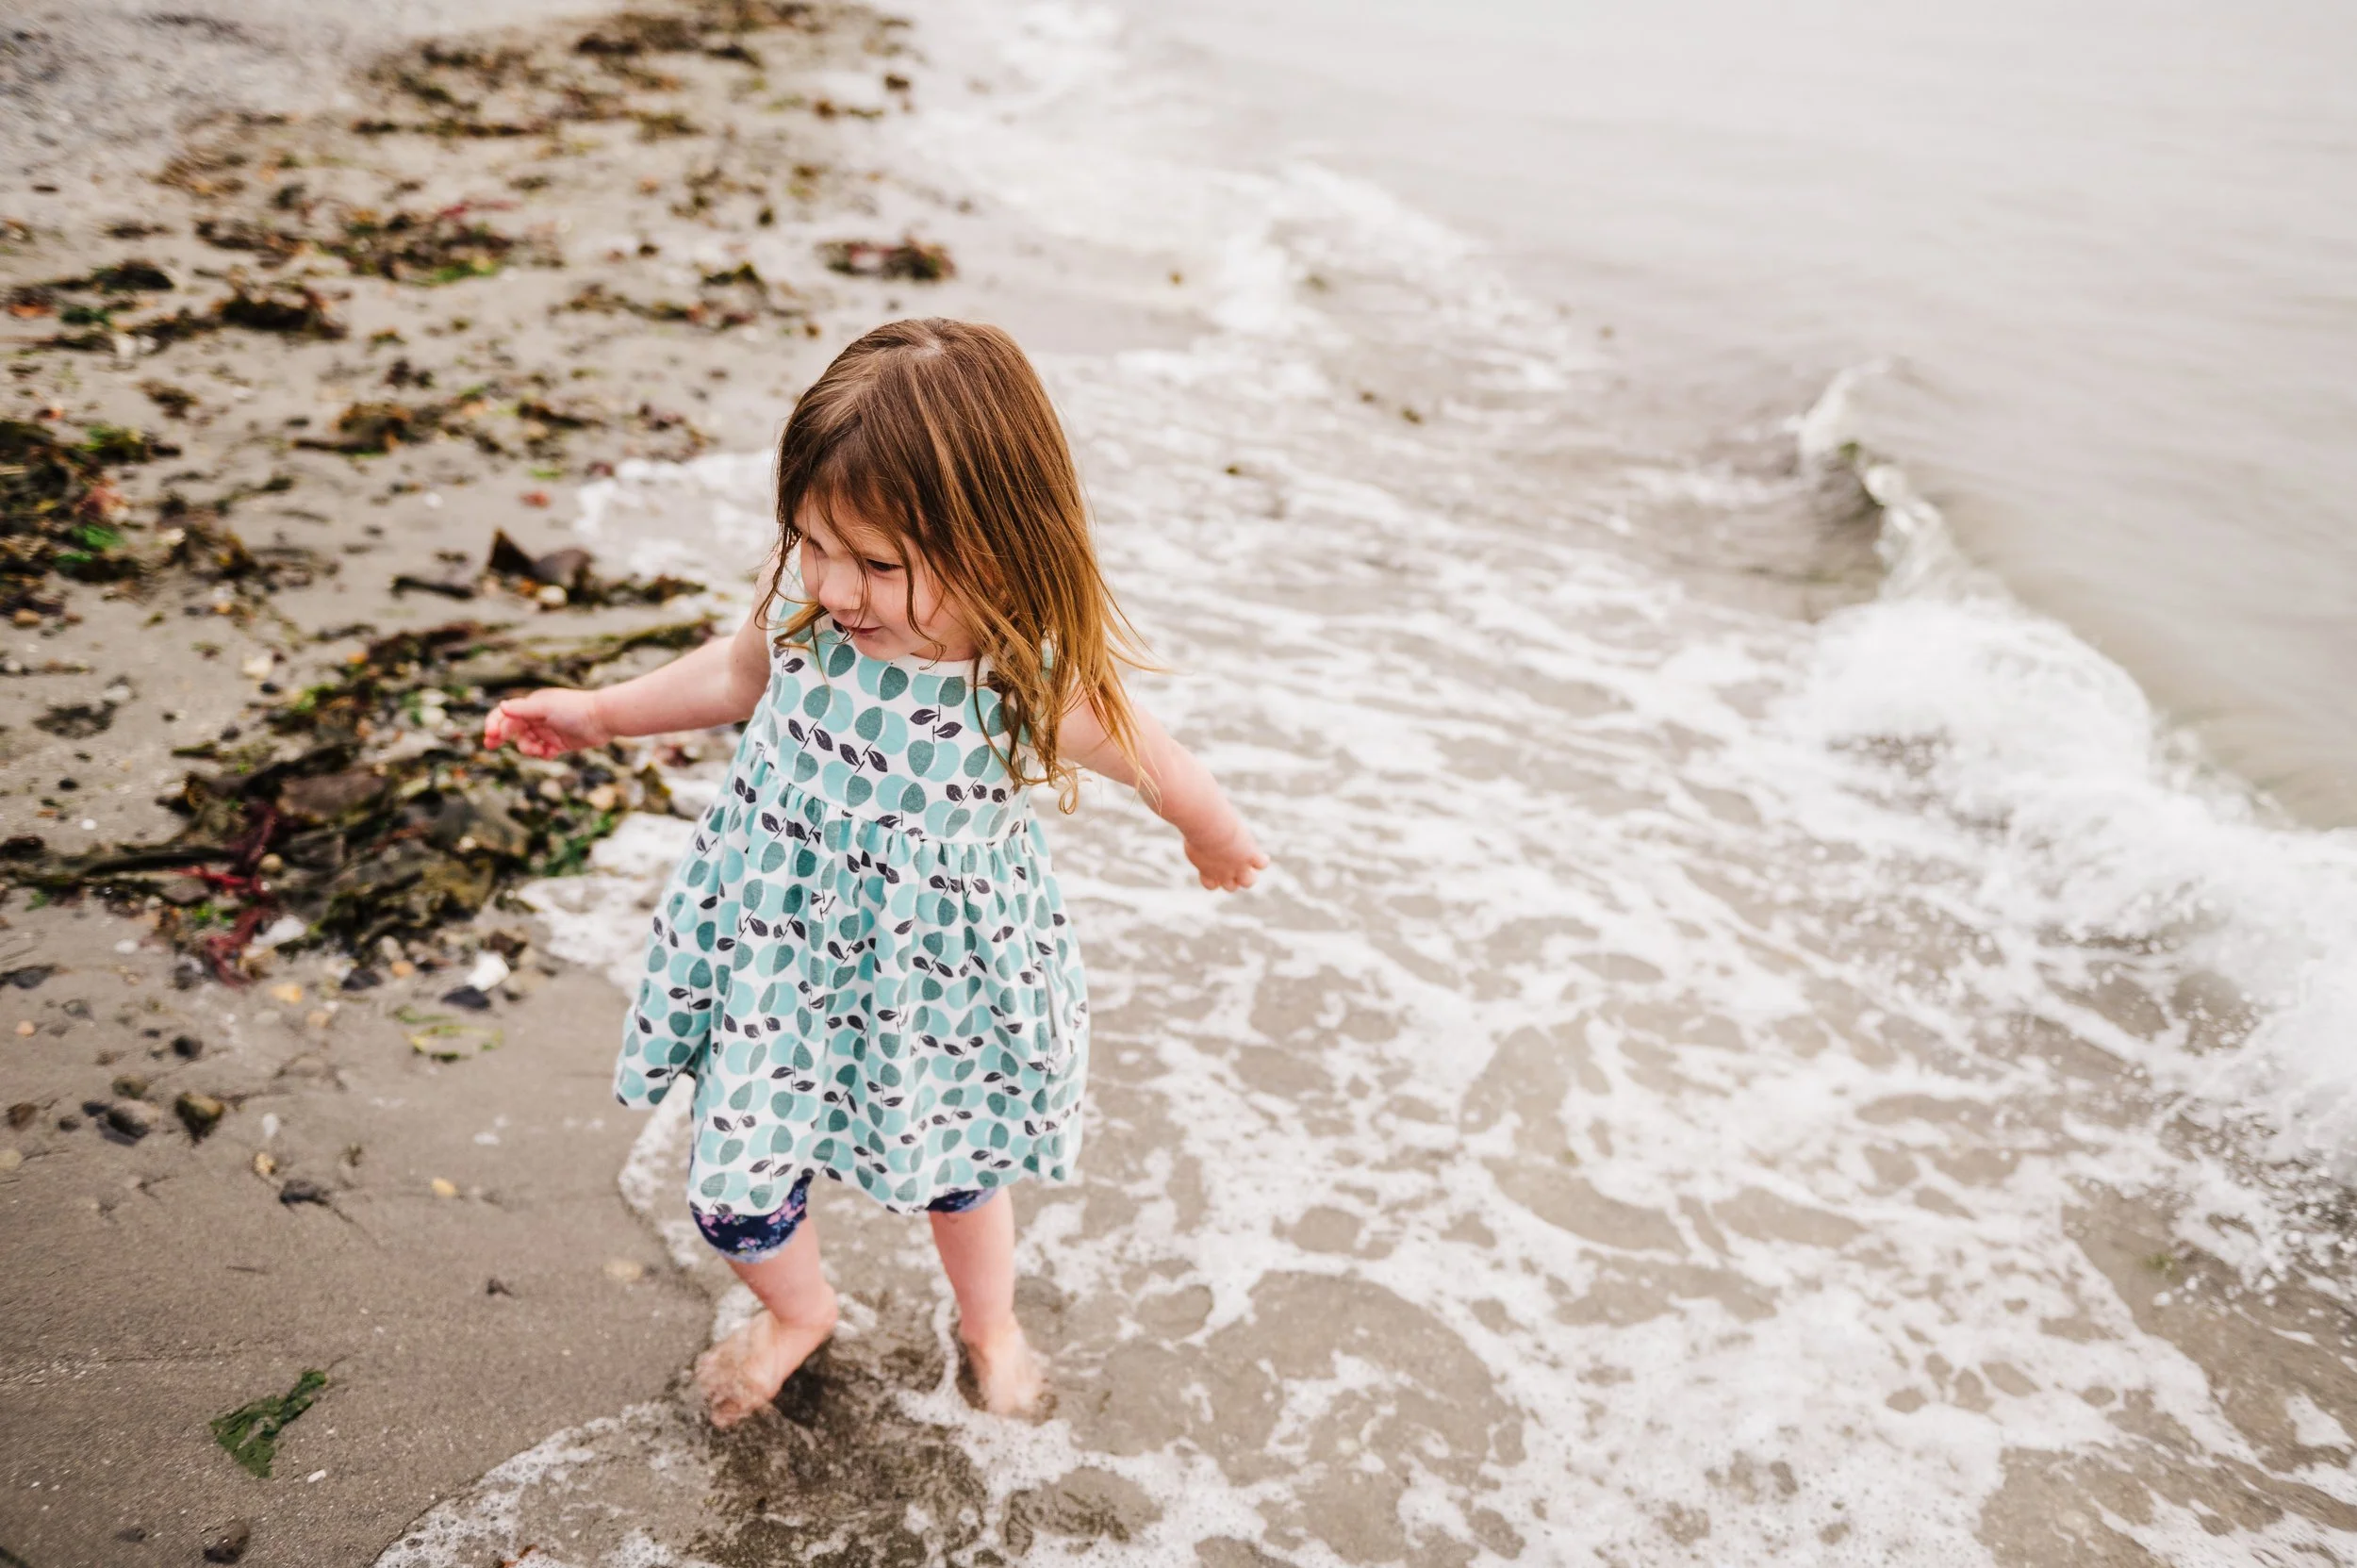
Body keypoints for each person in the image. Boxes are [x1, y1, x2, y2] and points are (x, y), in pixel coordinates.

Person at [481, 318, 1267, 1426]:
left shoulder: (1021, 680)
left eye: (878, 563)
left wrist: (1214, 836)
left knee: (959, 1172)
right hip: (775, 954)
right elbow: (734, 675)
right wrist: (604, 714)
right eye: (813, 541)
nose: (837, 584)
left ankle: (989, 1320)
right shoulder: (804, 611)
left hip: (933, 979)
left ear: (992, 541)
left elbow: (1158, 762)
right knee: (735, 1188)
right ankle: (801, 1311)